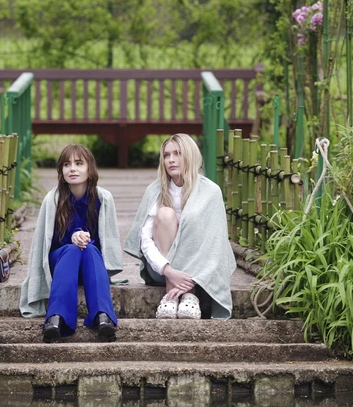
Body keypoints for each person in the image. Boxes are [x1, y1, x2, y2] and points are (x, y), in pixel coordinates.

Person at [125, 133, 235, 319]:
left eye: (177, 154)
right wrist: (168, 270)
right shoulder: (156, 190)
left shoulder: (210, 192)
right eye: (166, 155)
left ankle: (189, 295)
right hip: (162, 268)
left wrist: (190, 278)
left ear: (190, 156)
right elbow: (145, 240)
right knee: (166, 214)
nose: (171, 160)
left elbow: (215, 244)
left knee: (192, 221)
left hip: (199, 272)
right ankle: (171, 295)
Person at [20, 144, 123, 343]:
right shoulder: (53, 200)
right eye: (67, 164)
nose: (72, 169)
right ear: (61, 171)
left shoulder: (103, 199)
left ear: (89, 169)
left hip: (91, 266)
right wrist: (73, 238)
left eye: (78, 163)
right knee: (71, 250)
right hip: (61, 263)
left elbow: (107, 243)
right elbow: (45, 243)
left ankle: (103, 316)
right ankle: (56, 318)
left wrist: (85, 239)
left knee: (90, 249)